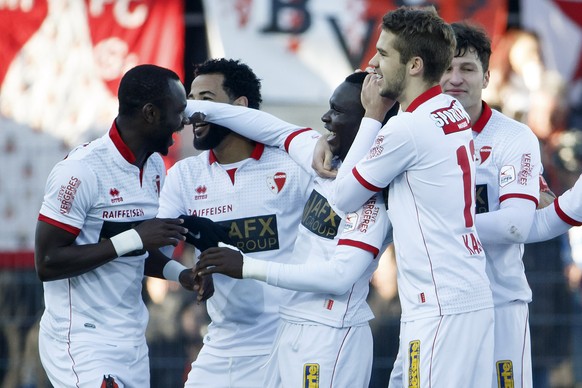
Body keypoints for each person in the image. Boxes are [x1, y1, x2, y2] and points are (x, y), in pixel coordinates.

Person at [189, 71, 397, 387]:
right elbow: (270, 128)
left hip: (331, 336)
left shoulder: (374, 199)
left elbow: (339, 277)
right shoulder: (325, 159)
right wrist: (185, 110)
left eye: (338, 112)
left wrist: (248, 267)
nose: (325, 118)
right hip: (291, 326)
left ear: (367, 123)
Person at [329, 7, 495, 387]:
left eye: (384, 53)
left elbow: (344, 196)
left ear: (415, 64)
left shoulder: (407, 127)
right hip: (453, 300)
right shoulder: (450, 109)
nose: (372, 62)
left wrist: (373, 115)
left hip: (440, 307)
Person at [34, 64, 203, 387]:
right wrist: (135, 236)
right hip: (82, 340)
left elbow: (134, 252)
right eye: (177, 111)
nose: (183, 122)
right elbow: (47, 262)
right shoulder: (81, 172)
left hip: (132, 341)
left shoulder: (154, 167)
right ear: (151, 113)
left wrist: (179, 274)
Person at [157, 58, 312, 387]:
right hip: (222, 343)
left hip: (289, 341)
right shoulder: (185, 175)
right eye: (191, 100)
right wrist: (184, 275)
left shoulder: (293, 165)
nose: (192, 112)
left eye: (206, 100)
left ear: (240, 106)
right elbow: (154, 252)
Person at [440, 21, 543, 387]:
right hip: (435, 309)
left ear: (486, 77)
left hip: (500, 305)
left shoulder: (513, 137)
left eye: (467, 69)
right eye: (447, 68)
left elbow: (516, 224)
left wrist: (436, 227)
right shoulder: (411, 133)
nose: (455, 79)